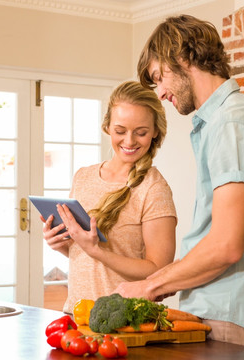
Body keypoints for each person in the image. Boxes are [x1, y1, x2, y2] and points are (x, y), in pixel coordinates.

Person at [114, 15, 244, 351]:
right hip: (222, 314)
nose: (162, 92)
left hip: (232, 317)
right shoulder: (222, 122)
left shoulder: (232, 123)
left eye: (160, 77)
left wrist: (149, 287)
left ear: (181, 58)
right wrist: (159, 282)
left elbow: (226, 245)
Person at [42, 80, 177, 314]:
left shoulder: (154, 188)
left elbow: (159, 271)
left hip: (125, 321)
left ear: (155, 131)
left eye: (141, 132)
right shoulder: (83, 177)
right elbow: (86, 256)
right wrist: (62, 244)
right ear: (107, 127)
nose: (129, 141)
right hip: (75, 314)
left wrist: (97, 250)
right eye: (120, 131)